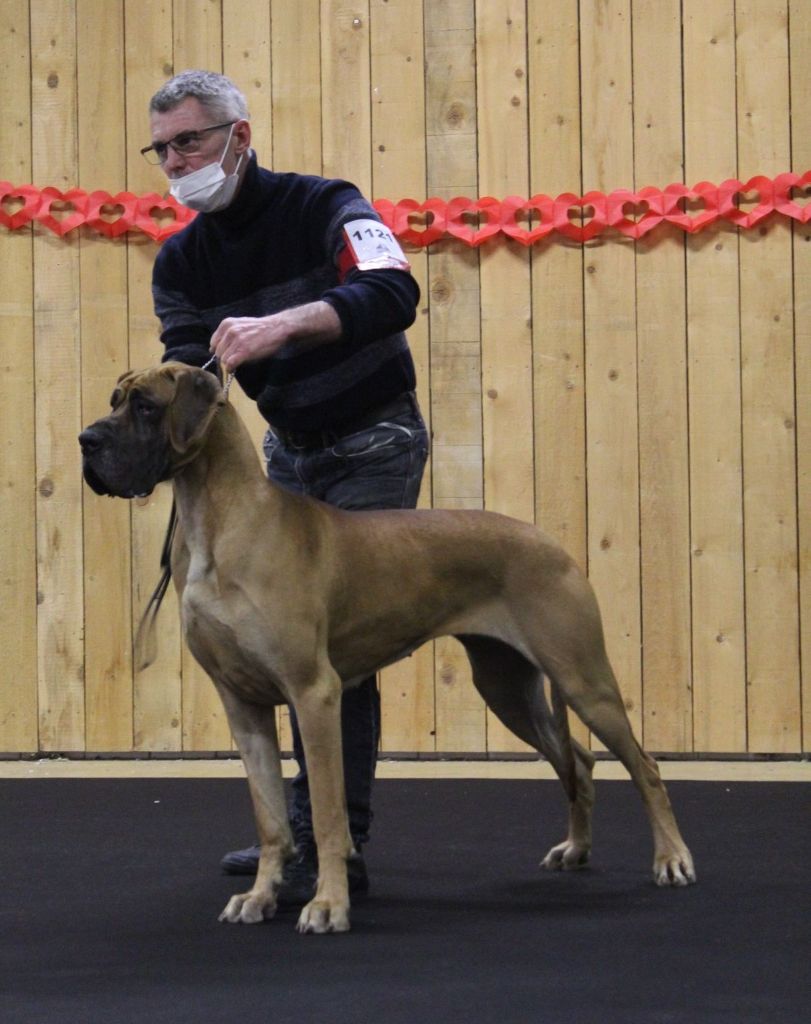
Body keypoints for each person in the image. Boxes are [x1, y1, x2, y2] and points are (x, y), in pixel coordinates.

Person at [144, 70, 428, 906]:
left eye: (188, 141)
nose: (175, 162)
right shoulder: (180, 261)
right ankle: (296, 836)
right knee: (282, 648)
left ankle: (333, 841)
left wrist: (285, 324)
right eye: (161, 150)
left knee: (336, 649)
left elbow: (393, 291)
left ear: (238, 135)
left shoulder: (324, 204)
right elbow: (192, 379)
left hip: (375, 437)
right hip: (288, 453)